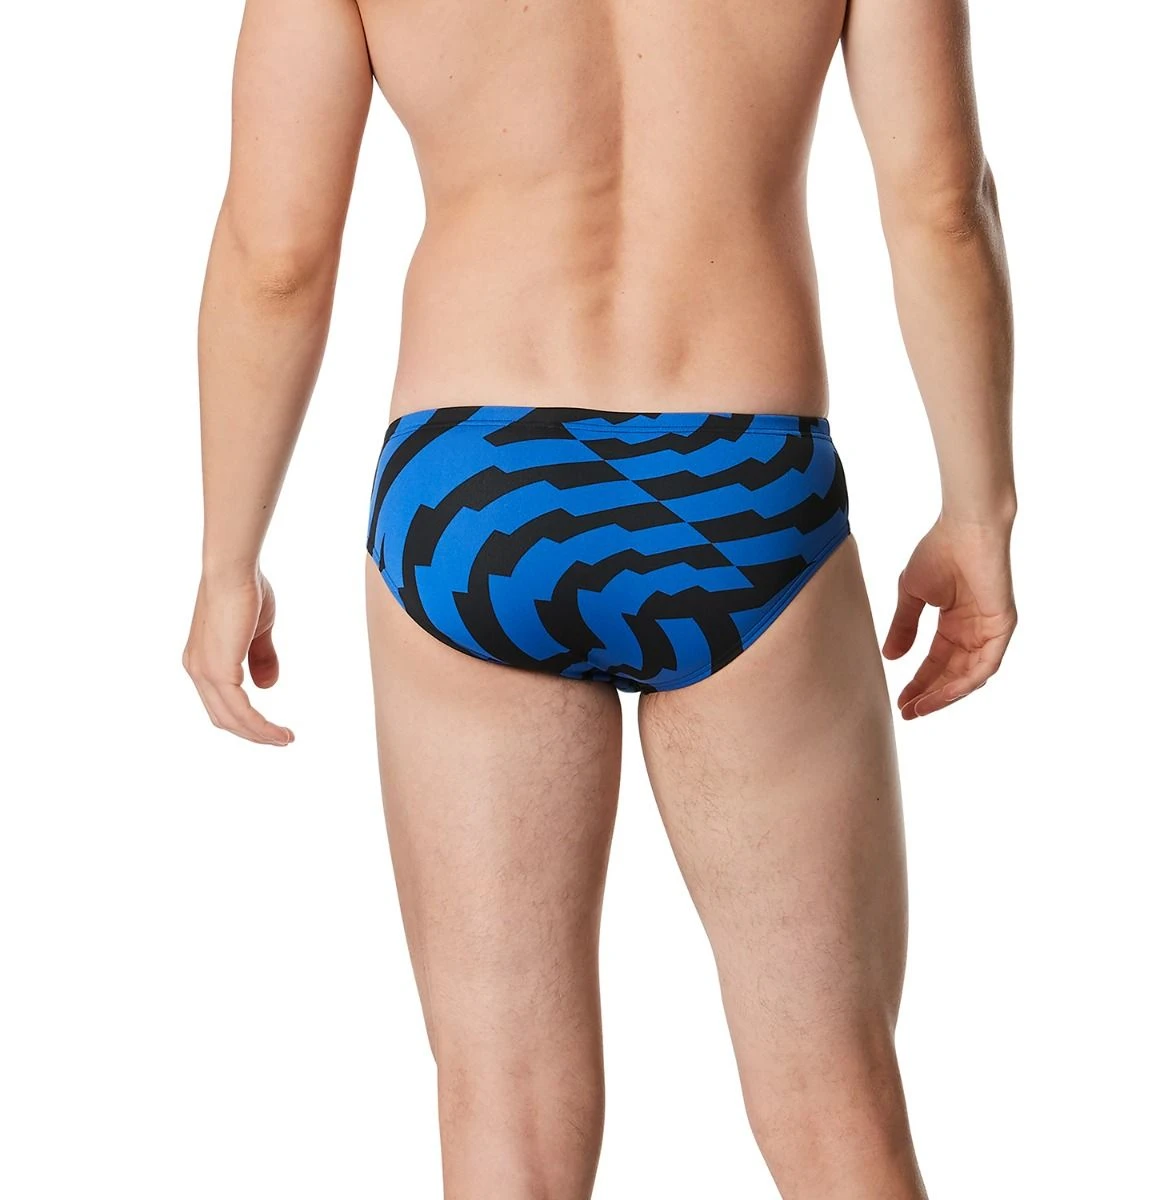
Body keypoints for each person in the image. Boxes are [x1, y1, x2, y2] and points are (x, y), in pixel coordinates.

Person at [183, 0, 1017, 1194]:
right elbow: (941, 204)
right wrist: (978, 509)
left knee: (504, 1105)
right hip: (742, 486)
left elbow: (275, 257)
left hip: (480, 497)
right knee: (835, 1094)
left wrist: (229, 556)